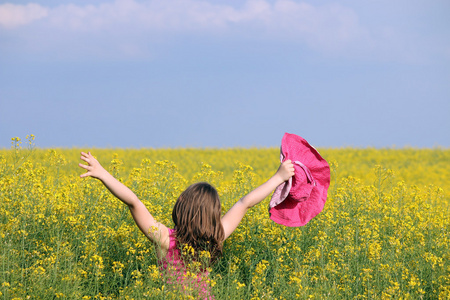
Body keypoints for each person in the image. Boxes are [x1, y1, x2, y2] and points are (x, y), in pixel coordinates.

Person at [78, 151, 295, 298]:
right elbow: (245, 203)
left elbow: (133, 202)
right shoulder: (215, 238)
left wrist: (103, 174)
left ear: (181, 208)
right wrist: (278, 177)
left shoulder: (165, 239)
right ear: (213, 214)